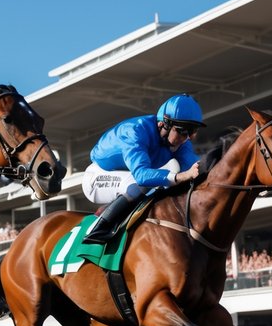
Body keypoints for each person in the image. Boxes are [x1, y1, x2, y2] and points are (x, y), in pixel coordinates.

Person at [81, 93, 206, 245]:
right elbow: (141, 176)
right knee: (139, 185)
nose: (187, 138)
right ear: (163, 124)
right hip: (97, 176)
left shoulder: (181, 141)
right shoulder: (135, 131)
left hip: (130, 174)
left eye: (192, 132)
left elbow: (195, 169)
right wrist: (180, 176)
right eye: (183, 131)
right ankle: (98, 230)